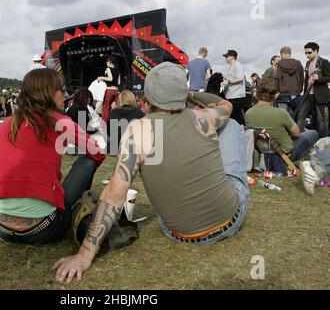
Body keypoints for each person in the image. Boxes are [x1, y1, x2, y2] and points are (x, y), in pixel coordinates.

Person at [53, 62, 249, 284]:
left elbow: (114, 195)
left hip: (177, 231)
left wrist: (84, 255)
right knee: (231, 125)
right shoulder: (204, 118)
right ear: (182, 93)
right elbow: (225, 104)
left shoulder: (138, 130)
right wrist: (190, 94)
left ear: (148, 96)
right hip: (229, 220)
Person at [0, 69, 105, 245]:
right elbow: (97, 152)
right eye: (62, 89)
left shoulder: (6, 125)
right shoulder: (61, 123)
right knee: (88, 160)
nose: (66, 94)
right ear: (48, 92)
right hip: (44, 230)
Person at [245, 77, 319, 163]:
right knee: (313, 133)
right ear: (276, 95)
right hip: (284, 155)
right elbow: (296, 133)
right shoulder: (280, 113)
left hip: (264, 152)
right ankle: (302, 159)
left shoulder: (248, 113)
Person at [297, 42, 330, 138]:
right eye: (306, 53)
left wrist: (319, 78)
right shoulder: (307, 63)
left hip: (320, 95)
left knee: (321, 121)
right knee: (300, 116)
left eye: (309, 52)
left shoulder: (324, 62)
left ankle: (323, 142)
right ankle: (301, 140)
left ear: (316, 51)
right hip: (308, 95)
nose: (307, 55)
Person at [107, 90, 145, 155]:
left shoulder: (113, 114)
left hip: (114, 151)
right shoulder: (140, 114)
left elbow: (109, 132)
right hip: (134, 152)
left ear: (120, 100)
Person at [221, 50, 250, 125]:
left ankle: (241, 131)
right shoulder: (231, 66)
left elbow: (240, 78)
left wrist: (228, 81)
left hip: (236, 96)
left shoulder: (237, 65)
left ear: (232, 57)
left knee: (237, 116)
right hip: (231, 95)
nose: (225, 58)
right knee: (233, 116)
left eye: (227, 56)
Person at [275, 47, 304, 116]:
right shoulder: (298, 63)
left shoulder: (280, 64)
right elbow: (302, 78)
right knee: (295, 117)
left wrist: (277, 91)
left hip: (283, 94)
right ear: (290, 53)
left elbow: (277, 78)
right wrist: (300, 89)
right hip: (295, 94)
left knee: (283, 117)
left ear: (282, 54)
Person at [98, 57, 121, 124]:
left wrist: (102, 77)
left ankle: (105, 124)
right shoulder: (118, 71)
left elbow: (110, 79)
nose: (106, 63)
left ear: (110, 62)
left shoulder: (108, 69)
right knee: (114, 108)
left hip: (109, 90)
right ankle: (114, 122)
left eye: (107, 62)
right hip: (116, 91)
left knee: (106, 107)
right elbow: (119, 83)